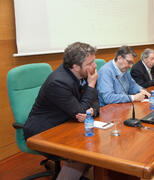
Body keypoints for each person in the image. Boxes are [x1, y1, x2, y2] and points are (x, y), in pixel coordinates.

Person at [23, 42, 99, 180]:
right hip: (44, 130)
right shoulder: (59, 82)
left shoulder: (84, 75)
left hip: (66, 123)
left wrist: (92, 111)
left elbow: (94, 102)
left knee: (96, 144)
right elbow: (80, 110)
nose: (94, 66)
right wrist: (91, 85)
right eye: (90, 63)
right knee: (82, 154)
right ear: (75, 66)